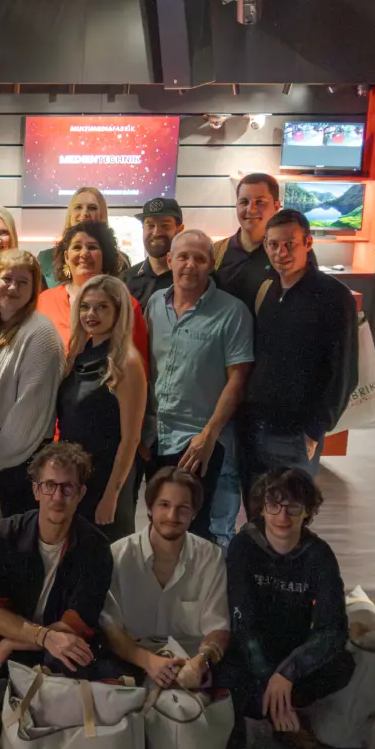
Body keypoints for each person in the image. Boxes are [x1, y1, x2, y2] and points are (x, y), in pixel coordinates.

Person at [216, 467, 353, 743]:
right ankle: (277, 710)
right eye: (274, 505)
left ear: (307, 511)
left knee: (343, 665)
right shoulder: (244, 546)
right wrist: (270, 679)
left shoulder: (319, 555)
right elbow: (243, 624)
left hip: (293, 652)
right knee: (222, 673)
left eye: (293, 507)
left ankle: (275, 706)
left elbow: (333, 628)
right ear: (262, 509)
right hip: (250, 651)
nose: (282, 516)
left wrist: (287, 672)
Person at [0, 441, 121, 679]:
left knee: (75, 662)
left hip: (57, 647)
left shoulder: (96, 548)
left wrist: (15, 642)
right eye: (50, 485)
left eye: (68, 487)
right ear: (36, 490)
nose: (57, 497)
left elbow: (76, 624)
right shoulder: (6, 534)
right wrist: (42, 637)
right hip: (10, 645)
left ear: (81, 493)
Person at [145, 229, 253, 538]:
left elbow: (237, 380)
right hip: (155, 437)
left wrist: (209, 434)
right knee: (159, 524)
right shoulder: (155, 303)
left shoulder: (232, 312)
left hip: (197, 442)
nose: (190, 265)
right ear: (170, 260)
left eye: (199, 258)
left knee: (195, 529)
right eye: (183, 257)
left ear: (211, 264)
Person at [239, 209, 358, 492]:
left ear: (308, 242)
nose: (281, 252)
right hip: (255, 425)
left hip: (297, 432)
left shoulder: (333, 296)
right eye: (273, 244)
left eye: (289, 244)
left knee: (289, 509)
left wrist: (315, 429)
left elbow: (343, 371)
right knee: (256, 507)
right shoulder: (267, 290)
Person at [103, 467, 230, 688]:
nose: (172, 516)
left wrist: (200, 662)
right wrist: (149, 662)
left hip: (190, 666)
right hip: (132, 662)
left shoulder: (210, 557)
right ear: (149, 508)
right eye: (164, 505)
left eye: (183, 508)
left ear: (195, 513)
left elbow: (218, 627)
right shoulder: (118, 555)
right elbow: (110, 628)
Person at [0, 248, 64, 525]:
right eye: (7, 279)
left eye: (23, 282)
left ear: (34, 289)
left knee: (15, 535)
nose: (12, 287)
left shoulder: (41, 333)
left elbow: (30, 408)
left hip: (18, 455)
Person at [57, 274, 148, 536]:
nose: (91, 314)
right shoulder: (80, 353)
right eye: (85, 306)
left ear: (118, 311)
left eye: (101, 307)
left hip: (107, 479)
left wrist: (111, 497)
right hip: (74, 476)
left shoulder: (126, 362)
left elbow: (131, 439)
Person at [34, 220, 150, 362]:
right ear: (66, 257)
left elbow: (139, 363)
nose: (84, 253)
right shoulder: (44, 301)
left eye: (92, 247)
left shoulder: (126, 304)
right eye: (77, 247)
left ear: (105, 255)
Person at [213, 172, 290, 308]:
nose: (251, 209)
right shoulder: (215, 252)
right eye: (244, 202)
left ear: (276, 207)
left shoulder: (291, 253)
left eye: (260, 202)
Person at [36, 186, 127, 287]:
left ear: (101, 215)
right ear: (70, 215)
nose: (84, 213)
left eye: (92, 208)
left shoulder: (120, 262)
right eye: (78, 207)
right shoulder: (45, 259)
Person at [122, 196, 183, 307]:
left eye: (165, 226)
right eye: (150, 226)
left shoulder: (189, 277)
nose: (156, 232)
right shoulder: (126, 280)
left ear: (180, 230)